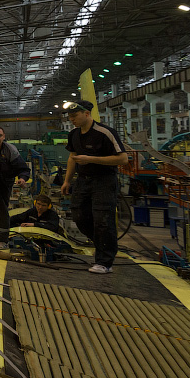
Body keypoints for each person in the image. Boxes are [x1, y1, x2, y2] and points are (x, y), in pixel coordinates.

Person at [59, 100, 128, 274]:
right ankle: (102, 244)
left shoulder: (104, 133)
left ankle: (104, 262)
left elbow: (122, 158)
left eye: (74, 116)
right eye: (70, 116)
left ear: (87, 114)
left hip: (104, 180)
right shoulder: (74, 134)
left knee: (103, 220)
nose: (71, 119)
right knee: (79, 215)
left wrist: (91, 159)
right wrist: (67, 180)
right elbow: (72, 158)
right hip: (83, 180)